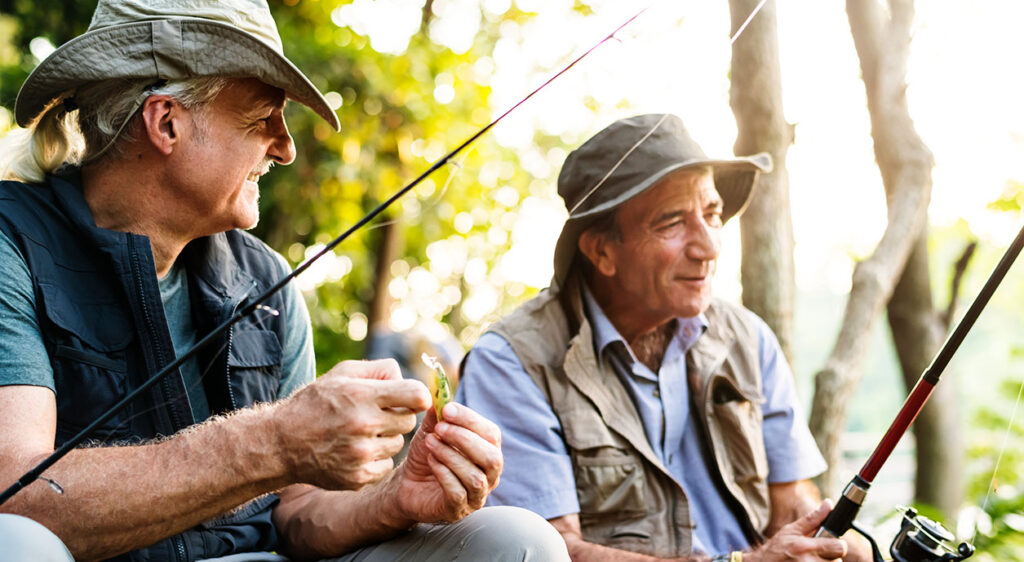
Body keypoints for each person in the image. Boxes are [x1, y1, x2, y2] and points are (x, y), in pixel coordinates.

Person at [0, 1, 569, 560]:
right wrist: (274, 440)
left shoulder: (265, 278)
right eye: (260, 119)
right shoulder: (12, 242)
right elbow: (15, 499)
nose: (286, 146)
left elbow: (296, 513)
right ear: (166, 122)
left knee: (517, 540)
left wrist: (395, 498)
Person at [457, 113, 868, 561]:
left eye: (712, 214)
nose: (708, 246)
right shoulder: (513, 362)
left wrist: (821, 538)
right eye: (672, 222)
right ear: (601, 251)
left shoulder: (749, 338)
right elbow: (552, 552)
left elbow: (790, 499)